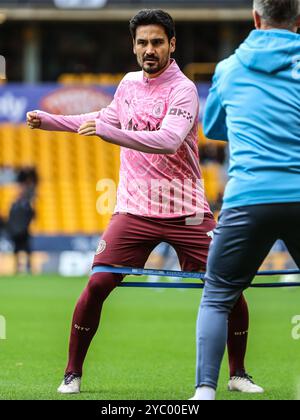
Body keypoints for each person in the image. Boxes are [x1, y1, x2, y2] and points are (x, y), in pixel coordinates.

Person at [27, 9, 262, 395]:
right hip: (134, 210)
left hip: (186, 211)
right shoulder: (128, 84)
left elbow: (168, 140)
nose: (148, 49)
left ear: (172, 44)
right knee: (98, 283)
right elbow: (105, 117)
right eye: (142, 42)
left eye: (156, 42)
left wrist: (108, 133)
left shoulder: (183, 89)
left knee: (227, 287)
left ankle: (237, 373)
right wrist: (51, 121)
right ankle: (72, 373)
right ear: (133, 46)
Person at [191, 0, 300, 401]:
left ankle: (205, 392)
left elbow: (216, 126)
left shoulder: (229, 68)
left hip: (247, 197)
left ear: (256, 18)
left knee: (217, 294)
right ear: (299, 20)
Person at [7, 169, 37, 274]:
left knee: (27, 250)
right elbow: (10, 218)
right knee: (16, 250)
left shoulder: (25, 205)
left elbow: (32, 215)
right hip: (16, 231)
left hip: (24, 231)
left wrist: (25, 226)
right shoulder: (14, 205)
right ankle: (17, 268)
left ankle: (28, 267)